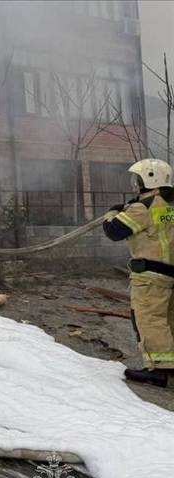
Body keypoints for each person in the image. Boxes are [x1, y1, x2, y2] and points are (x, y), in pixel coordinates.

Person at [103, 158, 174, 387]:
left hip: (150, 277)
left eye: (137, 180)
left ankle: (157, 370)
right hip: (170, 274)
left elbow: (114, 231)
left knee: (149, 319)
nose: (134, 184)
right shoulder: (168, 205)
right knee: (168, 320)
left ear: (149, 178)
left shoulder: (141, 208)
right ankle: (170, 366)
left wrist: (111, 213)